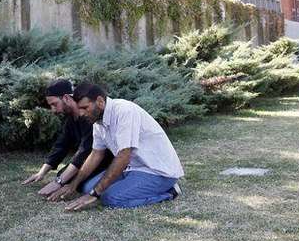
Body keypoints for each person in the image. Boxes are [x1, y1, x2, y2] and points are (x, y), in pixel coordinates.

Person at [54, 83, 184, 211]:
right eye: (79, 109)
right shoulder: (97, 121)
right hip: (132, 169)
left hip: (156, 171)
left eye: (85, 107)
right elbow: (95, 154)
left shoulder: (124, 111)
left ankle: (170, 192)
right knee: (87, 188)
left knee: (110, 198)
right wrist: (72, 185)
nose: (81, 113)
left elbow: (124, 155)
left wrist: (94, 194)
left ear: (99, 101)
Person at [22, 79, 112, 198]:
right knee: (63, 175)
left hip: (105, 160)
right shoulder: (71, 119)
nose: (53, 110)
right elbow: (62, 145)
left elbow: (85, 150)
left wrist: (58, 182)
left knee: (78, 184)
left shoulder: (89, 116)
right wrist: (42, 172)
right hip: (89, 159)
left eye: (54, 104)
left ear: (66, 98)